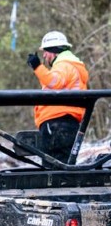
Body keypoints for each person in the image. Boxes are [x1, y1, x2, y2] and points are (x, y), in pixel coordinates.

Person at [26, 30, 89, 164]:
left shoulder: (64, 65)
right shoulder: (70, 65)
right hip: (64, 123)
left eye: (46, 52)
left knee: (53, 171)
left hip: (57, 124)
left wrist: (37, 66)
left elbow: (54, 82)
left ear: (53, 51)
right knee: (62, 168)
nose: (44, 55)